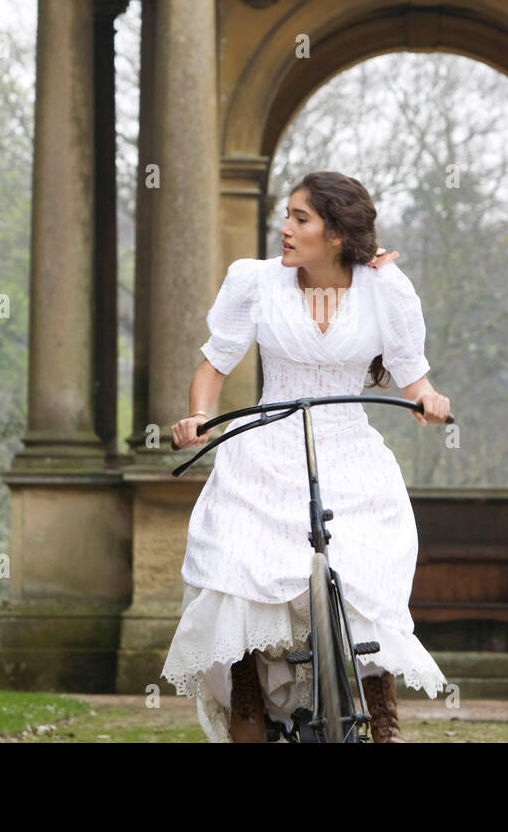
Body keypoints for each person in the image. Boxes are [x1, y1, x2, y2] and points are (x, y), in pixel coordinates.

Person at [163, 170, 451, 742]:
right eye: (286, 216)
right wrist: (197, 416)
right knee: (238, 567)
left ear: (337, 234)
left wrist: (430, 401)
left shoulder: (385, 288)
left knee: (366, 570)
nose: (285, 228)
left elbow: (413, 378)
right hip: (264, 445)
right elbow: (216, 362)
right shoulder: (255, 282)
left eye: (301, 219)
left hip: (348, 447)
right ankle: (248, 701)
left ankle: (380, 709)